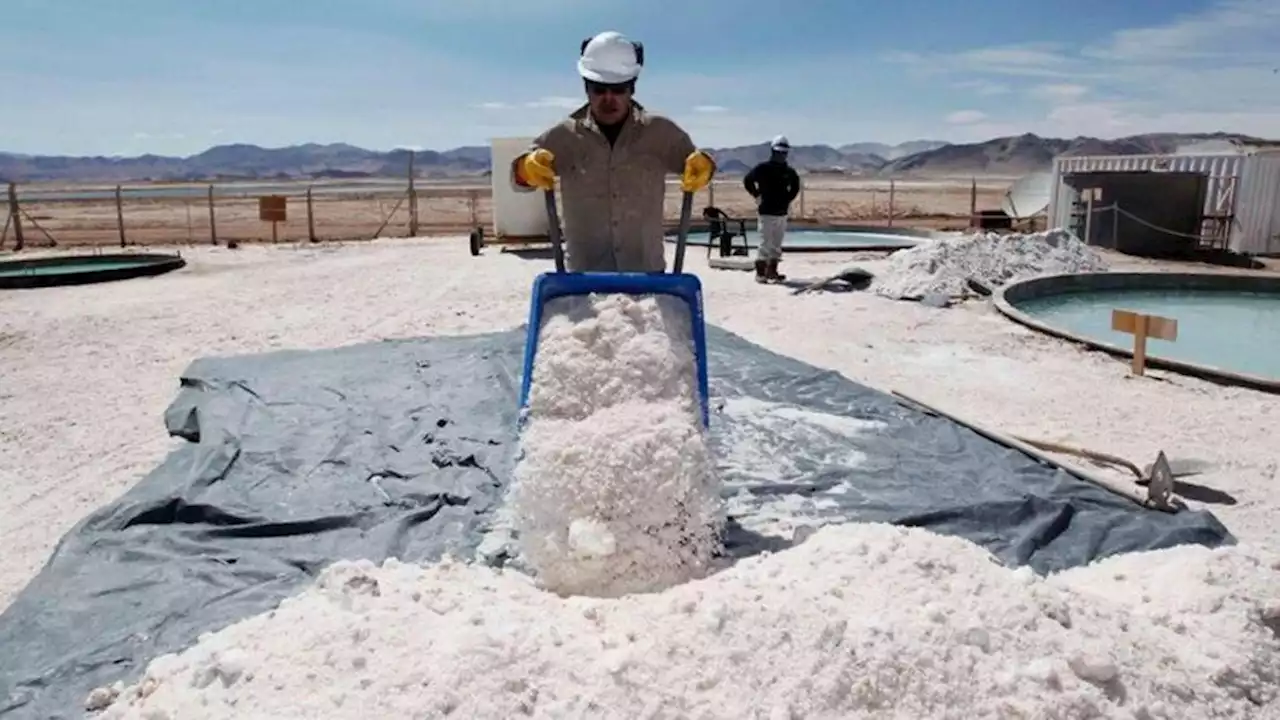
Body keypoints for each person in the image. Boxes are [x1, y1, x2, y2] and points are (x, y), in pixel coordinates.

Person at [509, 31, 716, 273]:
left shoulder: (663, 132)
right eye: (599, 89)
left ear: (632, 89)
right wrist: (525, 168)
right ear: (586, 88)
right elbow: (518, 181)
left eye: (618, 89)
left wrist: (706, 167)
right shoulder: (563, 136)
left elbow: (699, 165)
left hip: (646, 276)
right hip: (584, 279)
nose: (609, 98)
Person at [743, 135, 801, 283]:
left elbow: (796, 186)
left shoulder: (788, 171)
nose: (781, 155)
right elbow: (748, 180)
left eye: (784, 153)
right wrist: (756, 195)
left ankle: (772, 271)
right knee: (765, 243)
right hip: (767, 212)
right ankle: (760, 273)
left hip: (781, 213)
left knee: (776, 244)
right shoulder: (763, 169)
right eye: (779, 152)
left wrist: (788, 199)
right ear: (773, 152)